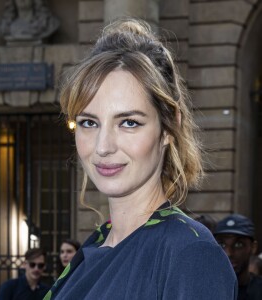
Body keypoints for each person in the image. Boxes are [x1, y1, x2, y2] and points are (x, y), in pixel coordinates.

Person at [44, 18, 237, 299]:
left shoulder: (190, 254)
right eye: (88, 122)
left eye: (129, 122)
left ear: (168, 128)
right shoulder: (96, 245)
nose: (103, 146)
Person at [214, 214, 262, 300]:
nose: (229, 253)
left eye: (238, 244)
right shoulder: (205, 289)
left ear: (253, 247)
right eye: (222, 244)